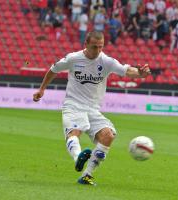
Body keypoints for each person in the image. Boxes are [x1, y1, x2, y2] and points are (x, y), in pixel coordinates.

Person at [32, 31, 151, 186]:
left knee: (108, 135)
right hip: (73, 105)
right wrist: (42, 89)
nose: (98, 50)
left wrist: (140, 73)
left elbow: (127, 70)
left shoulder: (106, 61)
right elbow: (53, 70)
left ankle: (86, 175)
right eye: (94, 47)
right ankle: (77, 158)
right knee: (75, 132)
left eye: (100, 47)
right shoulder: (73, 58)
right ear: (86, 44)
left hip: (93, 109)